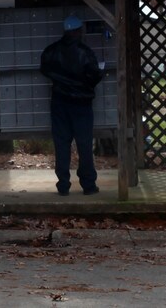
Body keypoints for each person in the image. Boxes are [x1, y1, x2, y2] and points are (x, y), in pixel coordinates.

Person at [40, 15, 104, 196]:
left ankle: (63, 185)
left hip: (59, 102)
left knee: (61, 144)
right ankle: (88, 185)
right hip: (82, 104)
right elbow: (95, 75)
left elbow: (44, 69)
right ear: (78, 31)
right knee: (84, 145)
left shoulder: (51, 51)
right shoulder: (85, 52)